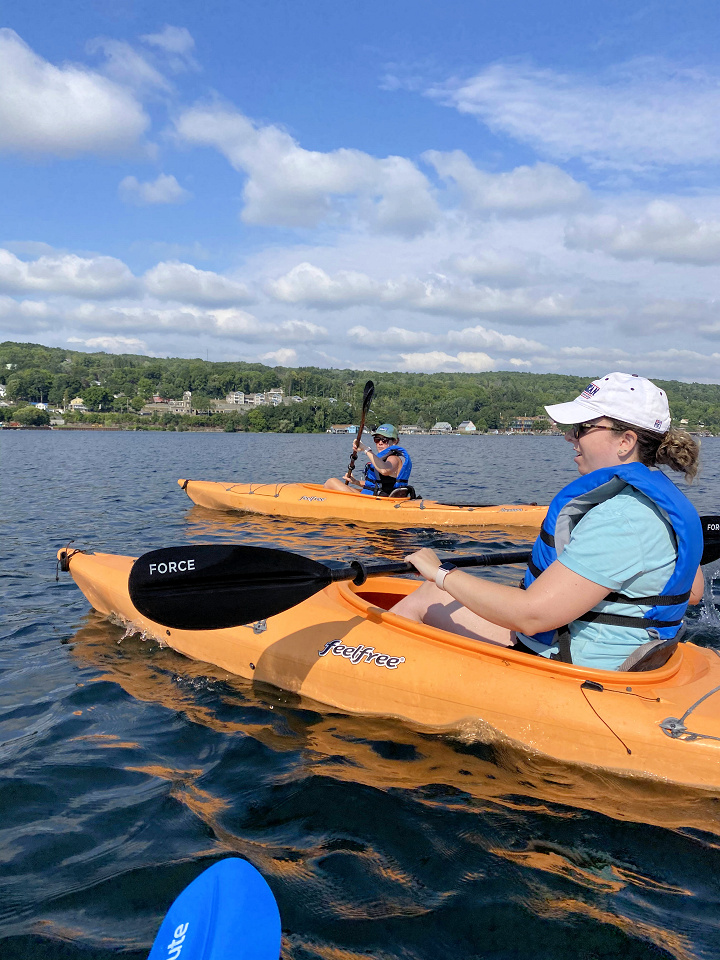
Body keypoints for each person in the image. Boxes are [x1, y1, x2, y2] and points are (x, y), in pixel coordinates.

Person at [391, 373, 705, 671]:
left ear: (626, 441)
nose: (570, 436)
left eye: (582, 427)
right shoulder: (655, 499)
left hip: (574, 665)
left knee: (428, 597)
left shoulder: (622, 517)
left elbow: (531, 616)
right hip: (626, 654)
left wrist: (439, 572)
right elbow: (693, 592)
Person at [325, 424, 413, 496]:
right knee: (332, 485)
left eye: (384, 440)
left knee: (331, 482)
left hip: (379, 501)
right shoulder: (383, 459)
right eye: (377, 439)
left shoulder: (394, 458)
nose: (380, 443)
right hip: (372, 497)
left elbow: (384, 470)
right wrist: (356, 482)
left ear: (395, 442)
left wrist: (366, 449)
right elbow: (376, 485)